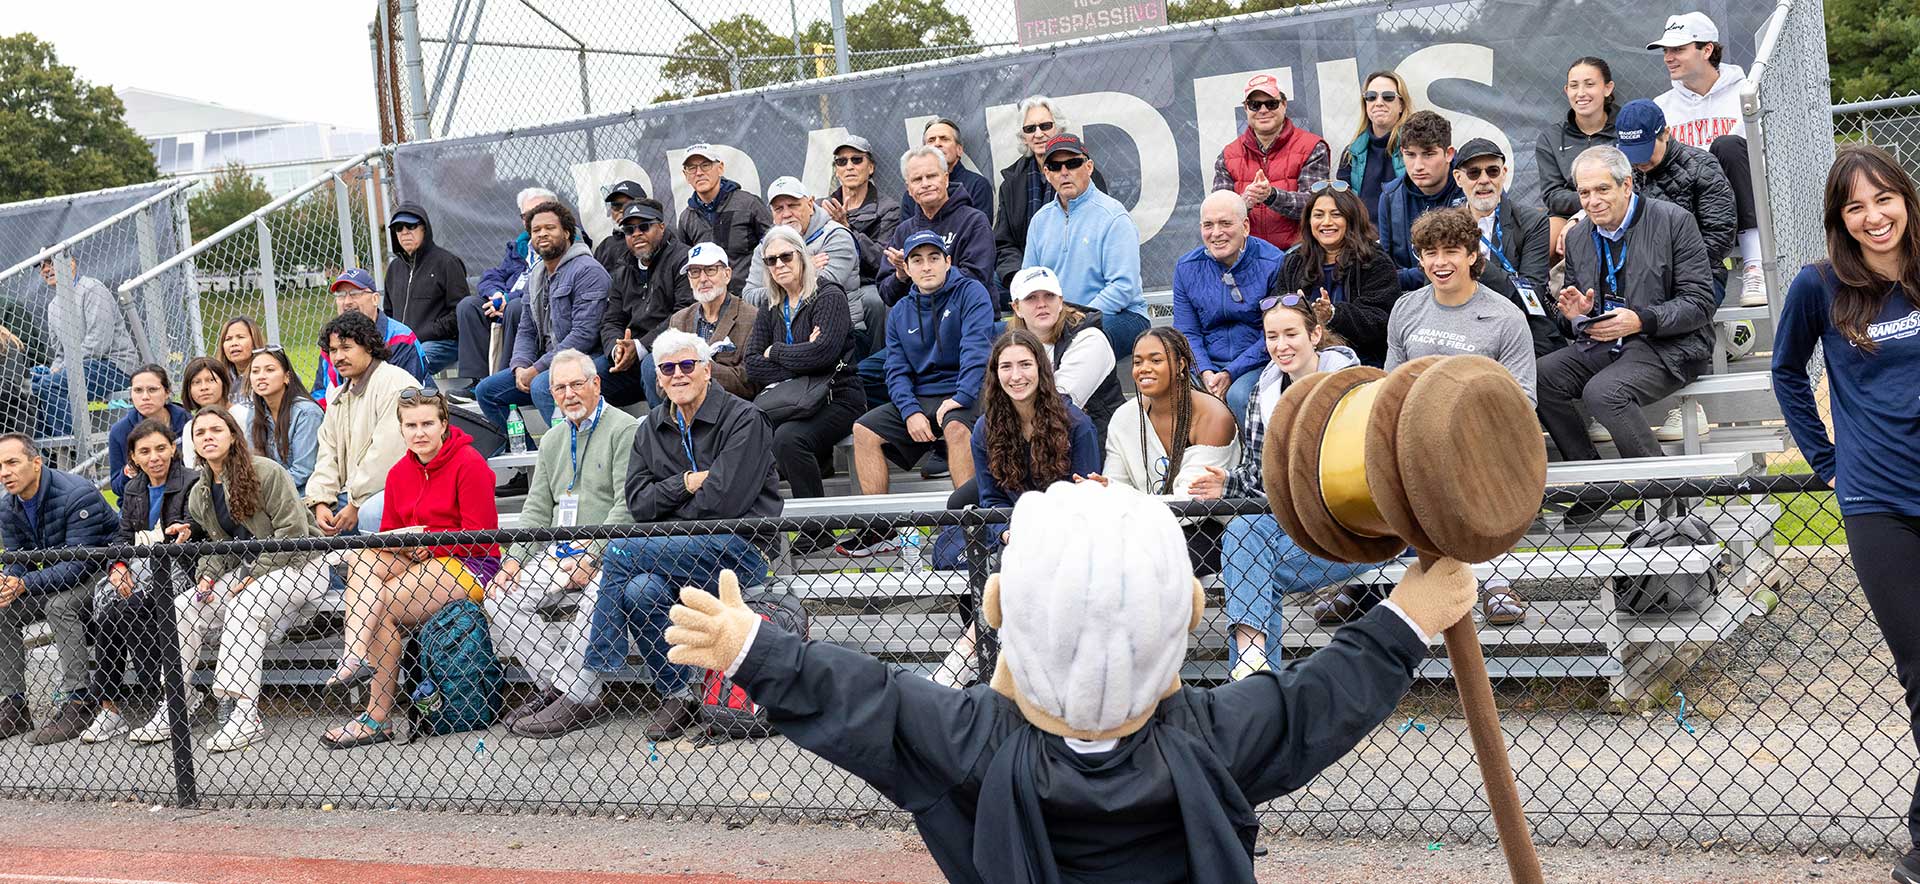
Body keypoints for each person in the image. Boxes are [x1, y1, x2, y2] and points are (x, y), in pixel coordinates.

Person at [662, 480, 1477, 884]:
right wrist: (1404, 618)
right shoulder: (1212, 738)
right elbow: (1319, 703)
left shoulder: (972, 742)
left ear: (998, 607)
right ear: (1192, 610)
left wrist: (753, 650)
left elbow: (862, 698)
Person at [1770, 146, 1920, 884]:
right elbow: (1784, 372)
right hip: (1879, 504)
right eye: (1855, 206)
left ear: (1906, 199)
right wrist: (1828, 461)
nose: (1874, 216)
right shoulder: (1819, 285)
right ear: (1840, 219)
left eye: (1884, 198)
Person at [591, 329, 781, 740]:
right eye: (667, 368)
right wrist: (687, 483)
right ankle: (678, 694)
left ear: (707, 370)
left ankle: (602, 657)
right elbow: (639, 504)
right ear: (658, 378)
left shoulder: (745, 419)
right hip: (672, 556)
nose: (678, 374)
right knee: (640, 590)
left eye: (687, 365)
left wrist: (670, 508)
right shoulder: (649, 428)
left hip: (743, 550)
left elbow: (725, 505)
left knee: (621, 550)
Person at [1187, 295, 1376, 678]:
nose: (1281, 345)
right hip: (1292, 527)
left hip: (1356, 529)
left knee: (1254, 570)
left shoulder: (1354, 388)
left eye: (1291, 334)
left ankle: (1252, 682)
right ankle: (1254, 664)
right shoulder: (1263, 391)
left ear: (1315, 334)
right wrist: (1229, 483)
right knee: (1243, 532)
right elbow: (1259, 477)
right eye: (1272, 336)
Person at [136, 408, 335, 752]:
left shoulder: (266, 472)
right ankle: (175, 704)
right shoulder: (200, 491)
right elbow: (220, 546)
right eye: (200, 433)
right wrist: (207, 577)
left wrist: (249, 574)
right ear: (193, 444)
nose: (208, 436)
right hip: (254, 573)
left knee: (246, 603)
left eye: (217, 429)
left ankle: (244, 714)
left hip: (304, 565)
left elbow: (294, 533)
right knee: (184, 607)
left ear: (232, 435)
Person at [322, 387, 499, 749]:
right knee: (361, 558)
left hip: (469, 562)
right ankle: (357, 660)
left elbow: (482, 537)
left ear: (443, 424)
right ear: (401, 429)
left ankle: (375, 713)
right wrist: (406, 545)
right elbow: (388, 535)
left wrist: (429, 543)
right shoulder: (400, 472)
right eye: (411, 425)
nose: (419, 432)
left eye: (427, 424)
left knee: (381, 605)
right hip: (419, 557)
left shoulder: (469, 463)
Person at [1385, 207, 1537, 626]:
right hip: (1415, 442)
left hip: (1481, 443)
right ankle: (1362, 582)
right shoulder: (1405, 309)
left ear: (1472, 255)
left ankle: (1495, 583)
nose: (1439, 262)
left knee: (1478, 473)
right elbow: (1390, 386)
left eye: (1450, 251)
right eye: (1429, 253)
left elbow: (1524, 400)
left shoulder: (1506, 317)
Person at [931, 328, 1102, 687]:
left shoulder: (1077, 425)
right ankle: (986, 668)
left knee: (1018, 569)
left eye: (1025, 364)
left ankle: (957, 672)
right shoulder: (985, 429)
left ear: (1041, 369)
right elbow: (991, 500)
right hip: (1013, 532)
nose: (1016, 375)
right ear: (995, 374)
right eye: (1006, 367)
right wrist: (1008, 531)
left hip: (1066, 535)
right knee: (1006, 561)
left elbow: (1086, 496)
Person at [483, 350, 639, 739]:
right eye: (559, 387)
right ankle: (560, 687)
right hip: (558, 550)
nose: (569, 394)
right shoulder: (552, 438)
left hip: (609, 550)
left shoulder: (625, 429)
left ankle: (576, 696)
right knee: (499, 596)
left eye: (576, 384)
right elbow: (537, 508)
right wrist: (515, 560)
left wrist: (593, 556)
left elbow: (627, 504)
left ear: (596, 384)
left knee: (593, 598)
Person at [1539, 146, 1716, 475]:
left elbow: (1700, 301)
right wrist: (1576, 316)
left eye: (1602, 189)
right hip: (1605, 342)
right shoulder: (1578, 236)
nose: (1593, 201)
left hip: (1668, 345)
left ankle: (1666, 503)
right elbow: (1575, 316)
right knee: (1542, 377)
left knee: (1604, 393)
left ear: (1626, 185)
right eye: (1584, 192)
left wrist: (1642, 321)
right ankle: (1593, 483)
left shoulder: (1673, 221)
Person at [839, 231, 994, 557]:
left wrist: (960, 398)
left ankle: (971, 526)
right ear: (906, 268)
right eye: (917, 260)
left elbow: (977, 354)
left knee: (955, 426)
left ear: (948, 261)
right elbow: (895, 370)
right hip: (922, 398)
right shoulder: (900, 311)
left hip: (968, 391)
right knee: (863, 430)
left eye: (934, 258)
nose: (927, 267)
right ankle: (880, 530)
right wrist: (909, 410)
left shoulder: (971, 293)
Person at [744, 228, 865, 540]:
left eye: (786, 256)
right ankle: (761, 537)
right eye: (771, 260)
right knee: (755, 433)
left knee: (787, 440)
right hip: (793, 400)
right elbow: (753, 363)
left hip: (837, 396)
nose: (780, 264)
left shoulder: (829, 295)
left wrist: (778, 351)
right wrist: (802, 356)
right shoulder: (772, 305)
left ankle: (817, 530)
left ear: (802, 256)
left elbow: (823, 354)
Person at [81, 418, 195, 744]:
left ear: (173, 449)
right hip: (138, 567)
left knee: (124, 609)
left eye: (161, 448)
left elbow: (194, 533)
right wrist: (118, 565)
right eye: (145, 451)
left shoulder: (191, 481)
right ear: (133, 456)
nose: (154, 457)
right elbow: (122, 536)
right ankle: (112, 709)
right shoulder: (135, 487)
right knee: (108, 606)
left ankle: (169, 697)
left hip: (176, 571)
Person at [1098, 327, 1240, 574]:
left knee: (1139, 561)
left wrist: (1122, 497)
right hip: (1142, 525)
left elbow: (1190, 508)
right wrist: (1100, 489)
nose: (1144, 368)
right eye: (1138, 362)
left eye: (1156, 360)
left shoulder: (1213, 417)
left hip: (1208, 530)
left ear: (1181, 364)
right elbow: (1113, 485)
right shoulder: (1125, 417)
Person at [0, 434, 114, 744]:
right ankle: (15, 705)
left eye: (12, 463)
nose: (4, 472)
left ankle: (79, 701)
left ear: (36, 463)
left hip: (104, 573)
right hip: (56, 574)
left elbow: (80, 565)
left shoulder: (76, 494)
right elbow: (18, 560)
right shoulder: (8, 506)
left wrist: (24, 583)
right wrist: (8, 581)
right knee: (3, 607)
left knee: (59, 605)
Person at [1649, 11, 1765, 306]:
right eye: (1666, 51)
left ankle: (1755, 264)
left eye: (1678, 49)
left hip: (1740, 202)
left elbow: (1761, 158)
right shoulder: (1661, 107)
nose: (1668, 57)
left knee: (1727, 146)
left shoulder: (1747, 93)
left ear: (1707, 49)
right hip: (1689, 208)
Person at [478, 200, 611, 440]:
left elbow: (584, 335)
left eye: (550, 228)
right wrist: (520, 366)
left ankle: (579, 451)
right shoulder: (536, 276)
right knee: (487, 391)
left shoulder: (588, 271)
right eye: (536, 230)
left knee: (541, 385)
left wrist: (537, 368)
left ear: (567, 232)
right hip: (546, 364)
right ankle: (529, 456)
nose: (542, 234)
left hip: (587, 359)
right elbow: (526, 330)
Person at [1021, 135, 1148, 361]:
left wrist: (1075, 318)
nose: (1064, 172)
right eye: (1055, 166)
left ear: (1089, 167)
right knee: (1012, 343)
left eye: (1072, 163)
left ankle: (1068, 397)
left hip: (1121, 316)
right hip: (1059, 319)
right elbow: (1028, 282)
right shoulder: (1040, 221)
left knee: (1086, 340)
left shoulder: (1113, 216)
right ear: (1046, 174)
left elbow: (1123, 287)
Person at [1173, 191, 1287, 417]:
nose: (1216, 233)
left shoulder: (1273, 262)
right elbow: (1187, 332)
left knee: (1239, 395)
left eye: (1225, 223)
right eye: (1208, 225)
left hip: (1257, 362)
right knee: (1169, 393)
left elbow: (1274, 333)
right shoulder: (1186, 267)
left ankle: (1253, 453)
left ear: (1245, 226)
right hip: (1205, 363)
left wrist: (1230, 372)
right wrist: (1205, 371)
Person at [302, 311, 414, 536]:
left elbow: (386, 456)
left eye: (346, 348)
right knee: (301, 517)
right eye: (333, 350)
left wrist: (355, 503)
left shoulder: (395, 384)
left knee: (363, 515)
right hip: (348, 496)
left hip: (390, 493)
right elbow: (327, 455)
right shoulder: (338, 396)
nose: (337, 357)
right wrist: (320, 501)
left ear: (369, 346)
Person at [1454, 138, 1566, 357]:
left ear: (1503, 173)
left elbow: (1531, 296)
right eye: (1474, 173)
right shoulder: (1446, 225)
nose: (1484, 180)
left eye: (1492, 171)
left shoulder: (1532, 222)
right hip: (1463, 324)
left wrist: (1475, 261)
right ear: (1459, 178)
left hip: (1521, 325)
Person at [1617, 99, 1737, 301]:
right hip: (1633, 274)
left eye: (1645, 151)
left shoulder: (1701, 166)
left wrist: (1667, 270)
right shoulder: (1621, 169)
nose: (1639, 161)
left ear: (1666, 133)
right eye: (1632, 153)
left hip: (1695, 275)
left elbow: (1720, 234)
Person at [1269, 182, 1399, 367]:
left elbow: (1380, 321)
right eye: (1318, 215)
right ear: (1309, 221)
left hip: (1360, 362)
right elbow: (1277, 311)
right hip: (1300, 361)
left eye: (1336, 214)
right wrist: (1295, 311)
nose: (1326, 222)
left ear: (1351, 219)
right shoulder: (1294, 261)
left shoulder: (1375, 262)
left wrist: (1333, 314)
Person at [994, 96, 1108, 293]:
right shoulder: (1011, 183)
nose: (1038, 134)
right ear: (1024, 137)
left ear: (1059, 129)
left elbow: (1096, 234)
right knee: (991, 285)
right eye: (1030, 129)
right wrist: (1019, 275)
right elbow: (1004, 243)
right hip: (1026, 272)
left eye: (1045, 126)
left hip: (1075, 271)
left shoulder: (1084, 173)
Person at [1212, 74, 1330, 252]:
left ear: (1284, 104)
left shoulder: (1313, 147)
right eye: (1255, 105)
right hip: (1247, 256)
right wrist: (1243, 203)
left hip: (1300, 254)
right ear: (1246, 108)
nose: (1263, 110)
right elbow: (1217, 213)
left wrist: (1272, 196)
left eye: (1271, 103)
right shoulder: (1228, 155)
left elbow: (1316, 206)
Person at [453, 187, 553, 391]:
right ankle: (478, 381)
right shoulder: (520, 246)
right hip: (505, 301)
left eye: (538, 211)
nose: (532, 220)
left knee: (517, 306)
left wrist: (509, 298)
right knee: (469, 306)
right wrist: (497, 295)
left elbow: (549, 284)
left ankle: (504, 380)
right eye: (526, 215)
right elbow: (492, 275)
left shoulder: (561, 241)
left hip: (537, 308)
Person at [594, 199, 690, 410]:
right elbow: (611, 319)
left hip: (672, 351)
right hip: (629, 358)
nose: (636, 234)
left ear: (662, 227)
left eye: (644, 226)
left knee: (652, 365)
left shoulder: (682, 258)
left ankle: (668, 436)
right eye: (629, 229)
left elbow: (683, 314)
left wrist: (640, 347)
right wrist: (615, 350)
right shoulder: (623, 267)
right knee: (585, 378)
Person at [1005, 266, 1123, 438]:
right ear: (1016, 308)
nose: (1042, 304)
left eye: (1049, 296)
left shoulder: (1090, 339)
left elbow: (1057, 406)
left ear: (1060, 301)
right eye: (1031, 298)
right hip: (1043, 440)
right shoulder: (1010, 346)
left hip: (1096, 442)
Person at [31, 255, 138, 439]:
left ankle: (74, 448)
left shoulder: (92, 289)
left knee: (50, 386)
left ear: (71, 263)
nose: (46, 270)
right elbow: (60, 354)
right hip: (79, 368)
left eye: (51, 263)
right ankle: (48, 456)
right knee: (35, 384)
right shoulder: (53, 307)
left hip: (114, 366)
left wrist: (63, 368)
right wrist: (55, 368)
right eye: (42, 267)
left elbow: (98, 343)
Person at [644, 240, 761, 407]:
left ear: (727, 274)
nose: (703, 279)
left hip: (729, 411)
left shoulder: (751, 317)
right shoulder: (679, 319)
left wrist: (699, 368)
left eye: (711, 270)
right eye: (695, 272)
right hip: (685, 409)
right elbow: (661, 384)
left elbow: (749, 383)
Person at [876, 146, 996, 307]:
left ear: (946, 179)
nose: (925, 184)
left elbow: (977, 278)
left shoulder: (974, 221)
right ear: (909, 189)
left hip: (967, 315)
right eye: (917, 179)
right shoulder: (903, 231)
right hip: (918, 321)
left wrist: (918, 272)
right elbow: (886, 294)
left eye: (931, 176)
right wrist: (902, 274)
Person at [820, 134, 901, 355]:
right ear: (836, 170)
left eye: (857, 160)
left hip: (867, 284)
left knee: (875, 301)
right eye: (841, 161)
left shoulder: (888, 208)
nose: (849, 166)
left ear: (871, 167)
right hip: (826, 282)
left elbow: (882, 260)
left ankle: (878, 369)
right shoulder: (820, 208)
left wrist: (847, 228)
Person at [1537, 58, 1621, 260]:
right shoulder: (1551, 137)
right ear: (1566, 90)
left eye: (1589, 84)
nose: (1581, 93)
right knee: (1542, 240)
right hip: (1568, 214)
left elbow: (1635, 184)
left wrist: (1592, 208)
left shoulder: (1626, 128)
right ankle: (1543, 291)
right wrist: (1585, 207)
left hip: (1619, 209)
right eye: (1574, 86)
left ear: (1607, 88)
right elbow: (1553, 195)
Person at [745, 177, 859, 324]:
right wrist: (806, 267)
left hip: (839, 327)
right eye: (779, 209)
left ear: (810, 205)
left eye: (793, 205)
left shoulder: (837, 236)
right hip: (782, 329)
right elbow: (749, 296)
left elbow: (823, 288)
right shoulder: (764, 247)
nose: (786, 214)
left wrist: (780, 276)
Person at [1376, 110, 1465, 291]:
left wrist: (1407, 276)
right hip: (1409, 298)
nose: (1418, 166)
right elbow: (1384, 270)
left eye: (1428, 154)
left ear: (1449, 154)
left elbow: (1473, 263)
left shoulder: (1469, 188)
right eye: (1410, 155)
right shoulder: (1389, 197)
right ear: (1402, 153)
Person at [316, 268, 429, 408]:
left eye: (355, 294)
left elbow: (407, 399)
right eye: (341, 295)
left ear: (375, 299)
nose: (347, 302)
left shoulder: (401, 338)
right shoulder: (331, 341)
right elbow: (320, 392)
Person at [674, 144, 773, 294]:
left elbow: (773, 246)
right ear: (685, 175)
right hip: (710, 303)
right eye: (691, 168)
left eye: (705, 165)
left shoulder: (749, 204)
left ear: (720, 168)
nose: (699, 172)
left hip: (750, 299)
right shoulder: (686, 218)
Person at [382, 204, 469, 375]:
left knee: (410, 362)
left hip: (442, 343)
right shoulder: (394, 269)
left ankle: (420, 401)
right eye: (399, 228)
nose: (405, 232)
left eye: (411, 226)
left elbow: (459, 314)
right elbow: (389, 313)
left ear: (424, 229)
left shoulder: (447, 262)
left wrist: (421, 334)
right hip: (402, 344)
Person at [243, 347, 323, 495]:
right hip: (271, 493)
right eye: (255, 371)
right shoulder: (254, 414)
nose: (261, 376)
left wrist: (266, 493)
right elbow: (254, 465)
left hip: (304, 492)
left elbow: (303, 470)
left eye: (270, 370)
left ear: (287, 377)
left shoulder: (306, 413)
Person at [106, 364, 191, 499]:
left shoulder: (188, 422)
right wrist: (131, 470)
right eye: (138, 390)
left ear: (167, 392)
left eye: (152, 390)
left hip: (186, 495)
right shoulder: (120, 431)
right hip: (142, 501)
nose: (145, 397)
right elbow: (117, 487)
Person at [1335, 71, 1413, 209]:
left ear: (1401, 104)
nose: (1378, 103)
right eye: (1371, 97)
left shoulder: (1415, 149)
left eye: (1388, 96)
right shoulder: (1351, 154)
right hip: (1363, 230)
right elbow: (1344, 207)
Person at [913, 118, 995, 226]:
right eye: (931, 140)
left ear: (959, 150)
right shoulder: (914, 192)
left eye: (944, 139)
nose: (937, 144)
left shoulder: (978, 186)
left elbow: (980, 231)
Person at [593, 179, 648, 275]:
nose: (622, 211)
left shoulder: (655, 239)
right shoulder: (604, 246)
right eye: (616, 206)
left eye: (628, 205)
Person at [211, 316, 265, 405]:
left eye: (240, 337)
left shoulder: (269, 374)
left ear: (254, 341)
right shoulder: (219, 379)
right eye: (228, 339)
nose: (234, 343)